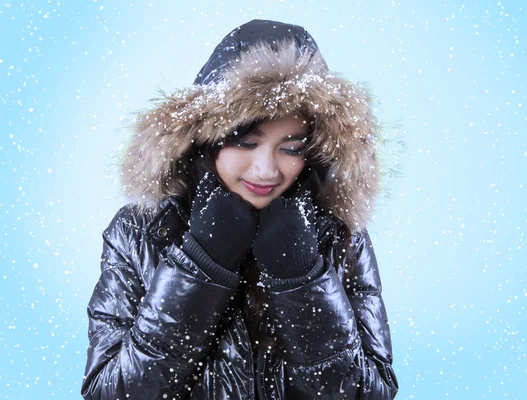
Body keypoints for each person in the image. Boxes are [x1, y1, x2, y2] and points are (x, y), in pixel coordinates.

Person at [81, 19, 399, 400]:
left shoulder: (339, 235)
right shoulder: (141, 231)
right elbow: (111, 393)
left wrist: (301, 278)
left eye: (292, 148)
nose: (266, 170)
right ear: (205, 137)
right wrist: (199, 266)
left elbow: (369, 393)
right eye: (247, 143)